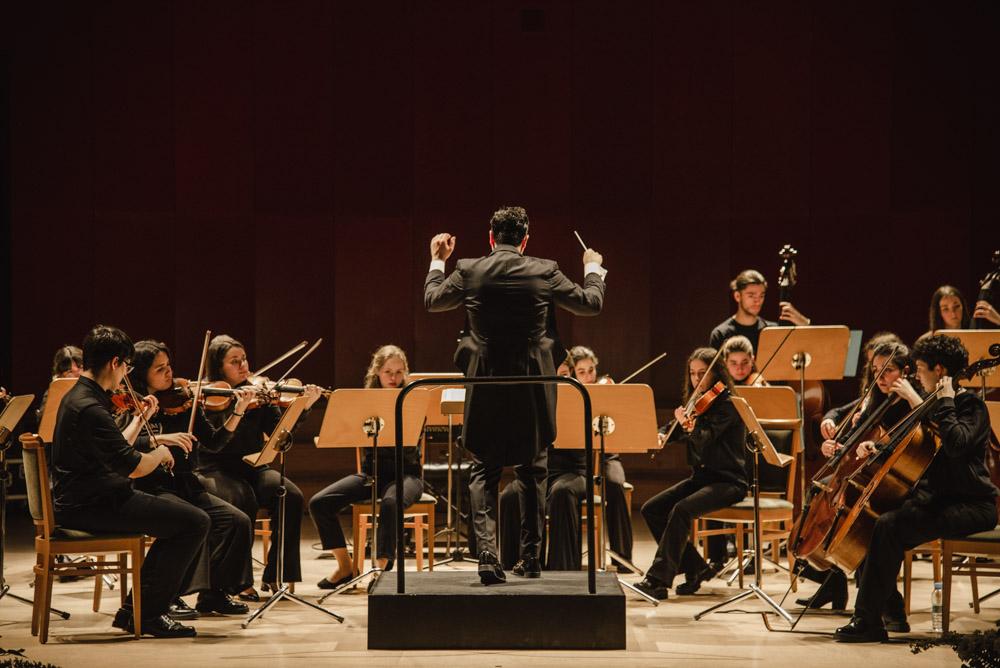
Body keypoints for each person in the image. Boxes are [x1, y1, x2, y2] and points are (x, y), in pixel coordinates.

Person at [424, 205, 606, 584]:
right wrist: (592, 268)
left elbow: (434, 301)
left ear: (492, 238)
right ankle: (531, 558)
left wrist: (437, 261)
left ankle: (488, 553)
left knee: (483, 472)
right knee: (532, 470)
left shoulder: (470, 269)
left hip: (486, 384)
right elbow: (591, 304)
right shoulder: (545, 269)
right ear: (525, 240)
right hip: (532, 387)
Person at [835, 333, 998, 642]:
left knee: (889, 526)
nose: (917, 373)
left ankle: (869, 620)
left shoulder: (970, 405)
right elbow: (909, 446)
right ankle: (887, 613)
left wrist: (938, 402)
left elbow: (956, 444)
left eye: (920, 367)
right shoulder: (934, 405)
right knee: (871, 521)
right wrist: (877, 449)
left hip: (973, 505)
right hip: (936, 500)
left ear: (939, 370)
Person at [51, 325, 208, 637]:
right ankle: (146, 613)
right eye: (127, 366)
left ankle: (135, 610)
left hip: (90, 497)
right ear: (115, 363)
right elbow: (133, 467)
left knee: (182, 517)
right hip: (91, 504)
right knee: (194, 522)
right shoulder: (92, 407)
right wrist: (161, 451)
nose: (126, 373)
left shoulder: (80, 397)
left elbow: (116, 449)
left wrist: (140, 421)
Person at [127, 340, 256, 616]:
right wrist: (158, 439)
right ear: (141, 373)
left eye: (168, 366)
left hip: (184, 484)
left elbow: (215, 442)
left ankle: (214, 594)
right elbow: (120, 445)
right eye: (159, 369)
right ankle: (168, 595)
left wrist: (237, 411)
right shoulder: (130, 405)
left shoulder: (184, 403)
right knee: (195, 522)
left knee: (237, 521)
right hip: (150, 487)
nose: (169, 373)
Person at [196, 335, 323, 598]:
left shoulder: (260, 394)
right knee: (242, 498)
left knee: (291, 495)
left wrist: (304, 407)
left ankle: (277, 574)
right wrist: (237, 407)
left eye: (243, 359)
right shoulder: (209, 398)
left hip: (253, 466)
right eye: (234, 362)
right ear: (219, 368)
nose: (243, 366)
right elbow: (213, 442)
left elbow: (279, 434)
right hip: (215, 468)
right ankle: (238, 581)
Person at [308, 345, 423, 588]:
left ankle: (380, 569)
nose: (393, 378)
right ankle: (345, 566)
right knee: (319, 502)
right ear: (377, 373)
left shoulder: (412, 400)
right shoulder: (365, 403)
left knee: (391, 502)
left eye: (399, 372)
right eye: (388, 372)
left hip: (407, 476)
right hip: (372, 475)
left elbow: (410, 447)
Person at [637, 347, 747, 600]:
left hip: (729, 481)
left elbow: (704, 440)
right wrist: (663, 434)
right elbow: (675, 427)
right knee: (652, 509)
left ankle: (657, 579)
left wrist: (689, 425)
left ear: (715, 374)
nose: (697, 379)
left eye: (702, 374)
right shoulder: (698, 403)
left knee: (681, 509)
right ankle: (695, 568)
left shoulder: (728, 405)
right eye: (693, 374)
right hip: (703, 478)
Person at [709, 269, 809, 353]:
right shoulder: (721, 334)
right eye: (751, 295)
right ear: (737, 296)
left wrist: (805, 324)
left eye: (761, 295)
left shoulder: (771, 331)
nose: (757, 301)